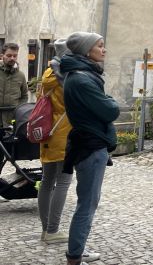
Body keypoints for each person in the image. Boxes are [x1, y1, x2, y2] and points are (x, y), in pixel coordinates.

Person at [61, 32, 119, 265]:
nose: (104, 50)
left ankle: (78, 249)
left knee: (87, 201)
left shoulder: (82, 76)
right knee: (87, 203)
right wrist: (111, 101)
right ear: (86, 51)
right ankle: (74, 256)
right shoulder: (82, 80)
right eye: (100, 46)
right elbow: (110, 110)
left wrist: (107, 102)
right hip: (90, 146)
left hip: (89, 143)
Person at [38, 39, 73, 244]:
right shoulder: (65, 75)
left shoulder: (47, 73)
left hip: (46, 132)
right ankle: (53, 230)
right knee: (63, 181)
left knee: (47, 181)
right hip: (63, 132)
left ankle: (45, 230)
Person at [0, 43, 28, 128]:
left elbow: (24, 96)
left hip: (12, 120)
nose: (12, 58)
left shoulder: (21, 75)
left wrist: (18, 111)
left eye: (15, 56)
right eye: (9, 55)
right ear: (2, 56)